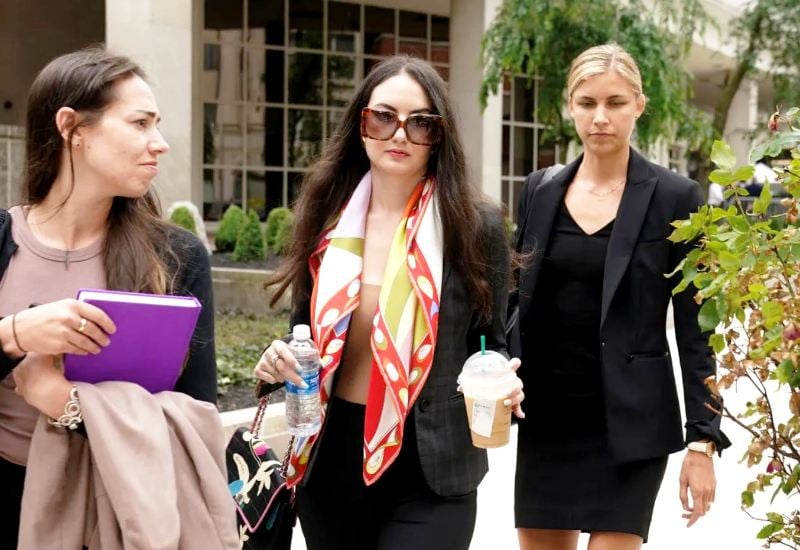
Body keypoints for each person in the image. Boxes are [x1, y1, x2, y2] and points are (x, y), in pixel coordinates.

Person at [253, 55, 524, 550]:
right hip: (331, 458)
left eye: (420, 123)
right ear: (360, 124)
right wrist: (278, 360)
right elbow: (303, 333)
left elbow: (492, 339)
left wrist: (502, 377)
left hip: (433, 465)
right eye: (383, 117)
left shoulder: (474, 224)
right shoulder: (325, 218)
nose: (399, 135)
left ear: (439, 135)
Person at [0, 47, 227, 549]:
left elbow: (195, 424)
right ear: (72, 128)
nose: (159, 143)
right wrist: (15, 334)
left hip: (114, 515)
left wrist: (65, 403)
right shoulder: (1, 240)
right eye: (140, 123)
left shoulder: (175, 256)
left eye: (157, 124)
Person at [512, 44, 730, 550]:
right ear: (570, 106)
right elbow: (515, 303)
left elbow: (696, 326)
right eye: (587, 103)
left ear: (639, 105)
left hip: (631, 426)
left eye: (615, 102)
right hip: (549, 421)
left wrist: (702, 440)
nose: (600, 117)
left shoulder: (677, 197)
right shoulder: (539, 190)